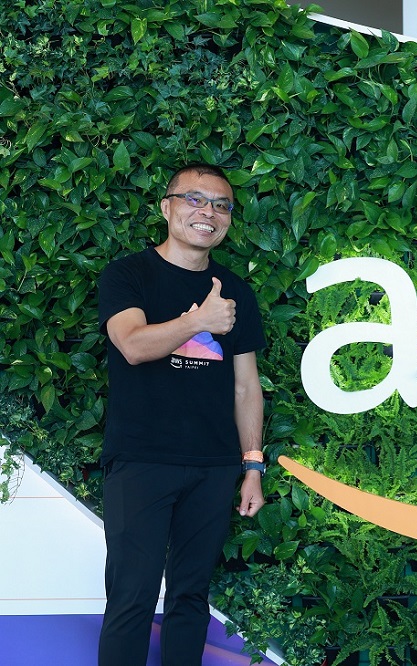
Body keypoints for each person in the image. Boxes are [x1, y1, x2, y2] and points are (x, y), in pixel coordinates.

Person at [97, 163, 267, 665]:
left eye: (221, 205)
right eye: (194, 199)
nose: (207, 212)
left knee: (191, 597)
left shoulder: (235, 289)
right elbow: (132, 345)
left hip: (213, 467)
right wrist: (200, 321)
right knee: (131, 597)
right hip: (141, 461)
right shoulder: (128, 275)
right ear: (166, 207)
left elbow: (246, 386)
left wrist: (252, 466)